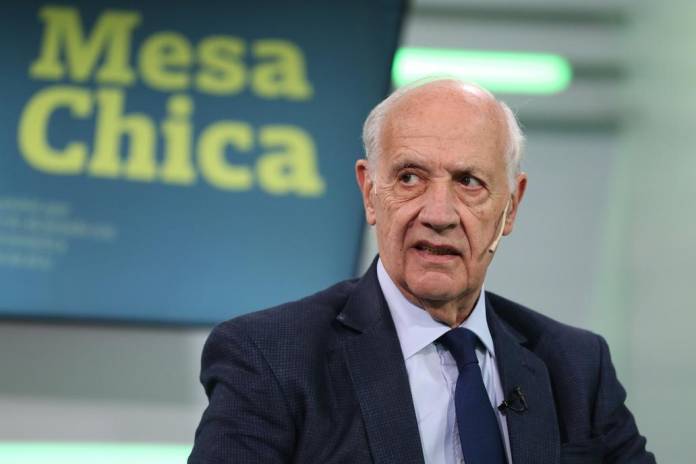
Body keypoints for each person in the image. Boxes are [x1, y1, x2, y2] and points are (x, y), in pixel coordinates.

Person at [188, 79, 655, 464]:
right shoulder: (272, 357)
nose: (438, 214)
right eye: (409, 177)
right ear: (370, 193)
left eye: (469, 182)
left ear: (511, 207)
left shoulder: (576, 367)